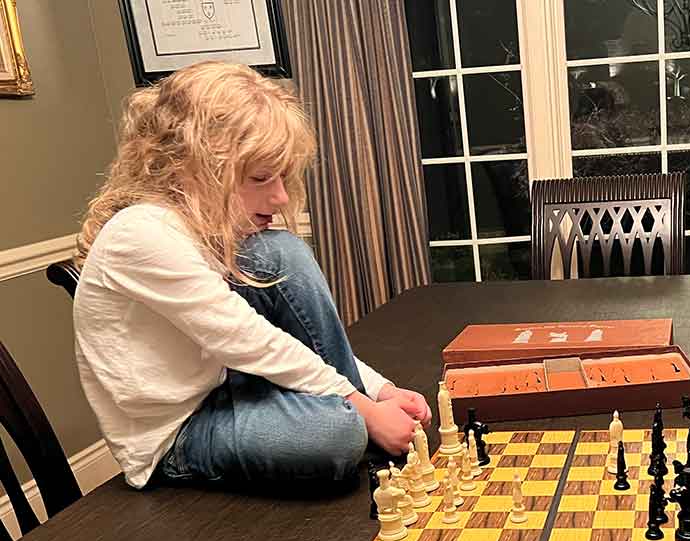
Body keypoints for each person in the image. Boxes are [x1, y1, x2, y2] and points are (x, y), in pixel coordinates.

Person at [73, 61, 430, 490]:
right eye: (261, 178)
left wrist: (380, 392)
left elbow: (285, 344)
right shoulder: (141, 232)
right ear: (195, 167)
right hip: (178, 434)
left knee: (280, 250)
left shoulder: (204, 229)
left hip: (231, 383)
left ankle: (356, 417)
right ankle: (356, 421)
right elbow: (248, 340)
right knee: (338, 435)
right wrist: (366, 412)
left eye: (283, 177)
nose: (280, 197)